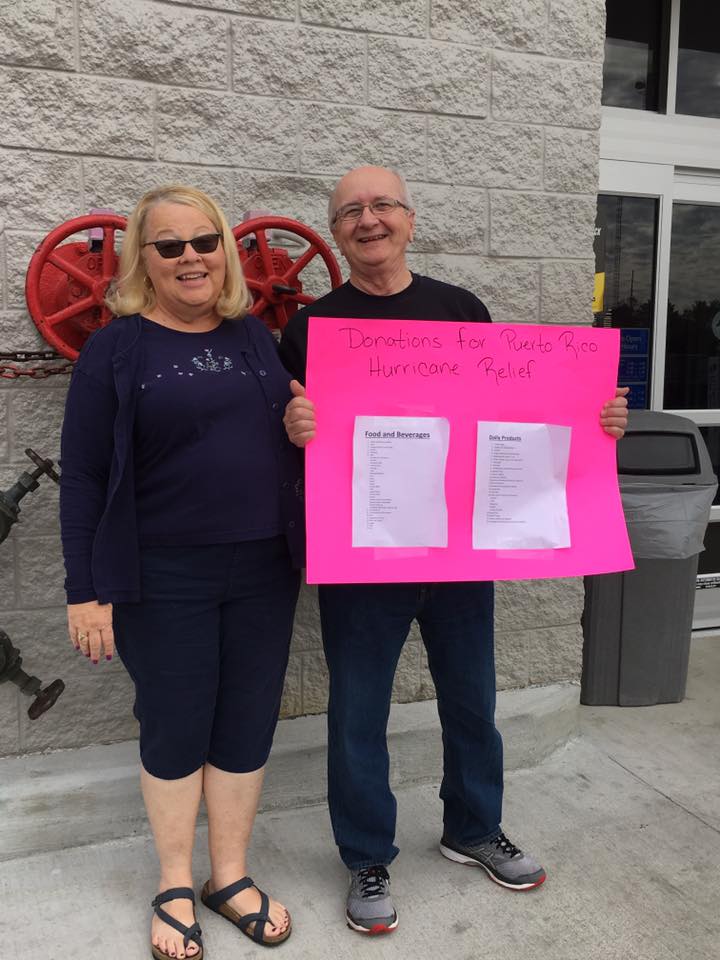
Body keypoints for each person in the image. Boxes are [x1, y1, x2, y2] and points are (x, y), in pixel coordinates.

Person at [280, 165, 629, 936]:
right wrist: (294, 431)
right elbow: (290, 437)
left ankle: (472, 828)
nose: (368, 221)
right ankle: (367, 854)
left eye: (383, 206)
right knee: (357, 713)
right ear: (335, 231)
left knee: (473, 702)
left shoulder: (460, 308)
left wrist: (594, 419)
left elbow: (518, 407)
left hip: (463, 552)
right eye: (350, 212)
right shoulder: (310, 327)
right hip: (365, 556)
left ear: (409, 218)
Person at [60, 185, 304, 958]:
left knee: (246, 721)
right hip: (163, 576)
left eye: (204, 242)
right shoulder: (116, 349)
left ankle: (227, 875)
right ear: (145, 258)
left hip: (266, 566)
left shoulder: (254, 337)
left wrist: (301, 427)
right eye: (170, 246)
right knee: (175, 724)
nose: (190, 258)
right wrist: (85, 591)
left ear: (225, 253)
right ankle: (173, 879)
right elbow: (87, 476)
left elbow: (281, 439)